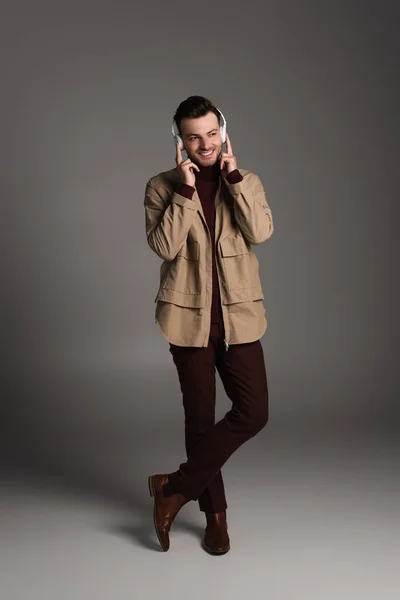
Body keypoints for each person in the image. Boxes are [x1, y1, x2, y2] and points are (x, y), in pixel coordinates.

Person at [144, 96, 274, 554]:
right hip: (188, 320)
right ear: (180, 140)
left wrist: (234, 180)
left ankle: (174, 487)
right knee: (199, 419)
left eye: (211, 133)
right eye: (193, 136)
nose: (204, 144)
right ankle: (215, 518)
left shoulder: (246, 181)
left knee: (253, 411)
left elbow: (260, 232)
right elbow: (163, 245)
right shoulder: (162, 186)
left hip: (240, 318)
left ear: (223, 131)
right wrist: (184, 189)